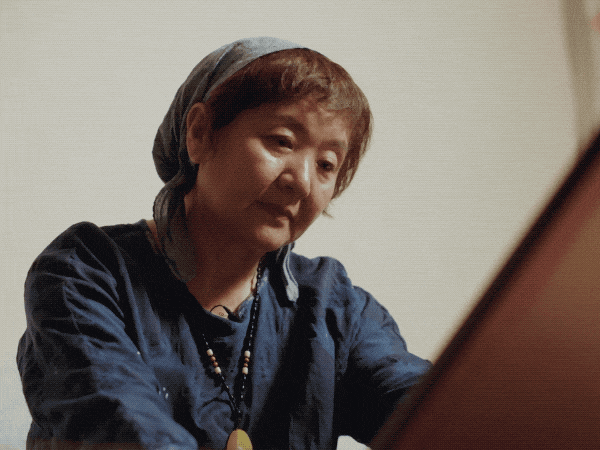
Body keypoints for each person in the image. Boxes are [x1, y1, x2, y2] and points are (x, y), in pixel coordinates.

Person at [17, 37, 431, 450]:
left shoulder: (334, 308)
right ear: (200, 133)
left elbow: (428, 410)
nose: (303, 182)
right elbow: (123, 424)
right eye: (282, 141)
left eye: (326, 164)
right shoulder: (86, 272)